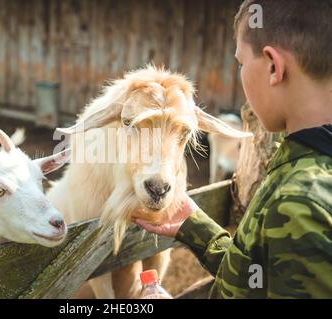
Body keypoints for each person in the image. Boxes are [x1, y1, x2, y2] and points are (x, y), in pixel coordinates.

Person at [135, 0, 332, 298]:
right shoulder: (307, 167)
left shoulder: (299, 203)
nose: (240, 73)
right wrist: (198, 230)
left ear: (273, 67)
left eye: (241, 62)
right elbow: (261, 279)